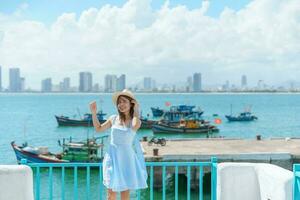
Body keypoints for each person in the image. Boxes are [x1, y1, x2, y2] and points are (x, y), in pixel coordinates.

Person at [89, 89, 148, 200]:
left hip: (126, 159)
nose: (121, 104)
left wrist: (136, 109)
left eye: (124, 101)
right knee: (110, 194)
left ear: (131, 103)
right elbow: (98, 128)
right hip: (111, 157)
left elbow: (135, 124)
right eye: (119, 102)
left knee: (124, 195)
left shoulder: (135, 121)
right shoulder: (113, 118)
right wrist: (93, 113)